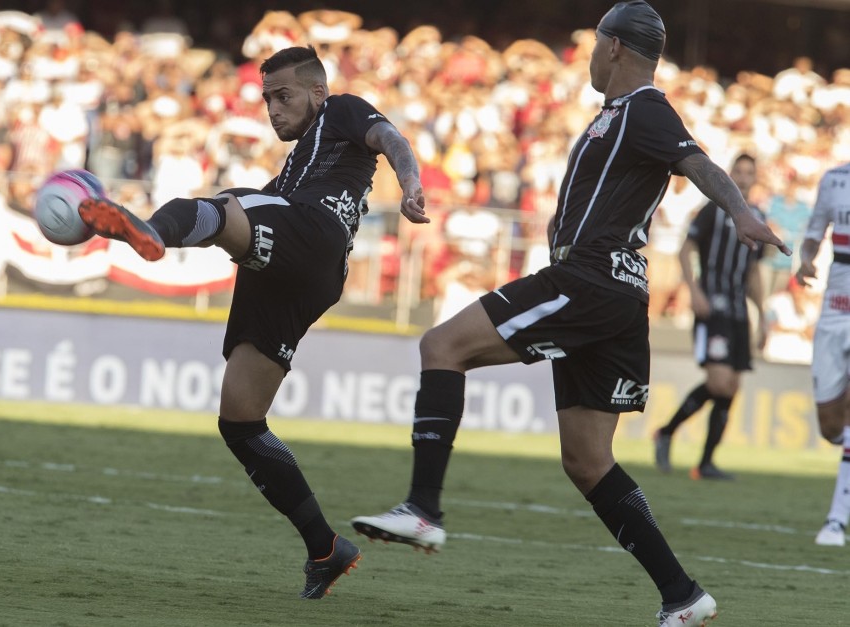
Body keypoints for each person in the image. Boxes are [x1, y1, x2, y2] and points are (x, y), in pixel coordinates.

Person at [350, 3, 788, 625]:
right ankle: (684, 596)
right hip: (614, 294)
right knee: (587, 460)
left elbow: (697, 162)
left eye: (593, 43)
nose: (587, 54)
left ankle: (423, 509)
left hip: (590, 279)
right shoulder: (614, 115)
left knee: (441, 347)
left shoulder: (644, 108)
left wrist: (740, 211)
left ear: (612, 47)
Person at [77, 45, 428, 598]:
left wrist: (410, 183)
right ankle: (325, 547)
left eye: (284, 95)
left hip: (313, 236)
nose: (273, 108)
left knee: (225, 204)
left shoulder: (340, 109)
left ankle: (150, 231)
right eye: (267, 98)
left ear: (317, 91)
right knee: (240, 421)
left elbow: (392, 140)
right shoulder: (296, 164)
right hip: (296, 271)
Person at [653, 154, 768, 481]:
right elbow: (684, 249)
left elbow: (755, 272)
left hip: (738, 311)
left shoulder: (757, 217)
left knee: (730, 386)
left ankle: (705, 463)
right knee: (719, 382)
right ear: (730, 174)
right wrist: (694, 291)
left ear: (755, 177)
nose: (743, 178)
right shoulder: (712, 210)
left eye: (749, 172)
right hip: (712, 306)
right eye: (739, 172)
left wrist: (763, 314)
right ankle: (666, 432)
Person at [795, 162, 850, 547]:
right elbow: (814, 231)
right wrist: (806, 258)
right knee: (831, 426)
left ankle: (836, 521)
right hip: (834, 307)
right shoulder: (834, 179)